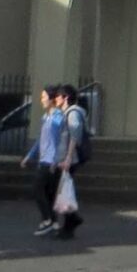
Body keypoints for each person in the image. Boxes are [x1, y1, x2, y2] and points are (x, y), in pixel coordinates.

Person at [19, 85, 63, 237]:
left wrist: (56, 161)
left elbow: (60, 141)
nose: (41, 100)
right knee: (49, 193)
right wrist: (29, 156)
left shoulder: (58, 117)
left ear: (51, 99)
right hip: (44, 159)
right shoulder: (45, 117)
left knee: (38, 190)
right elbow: (40, 141)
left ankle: (47, 220)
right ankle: (55, 223)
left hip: (51, 162)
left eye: (44, 97)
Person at [54, 85, 87, 239]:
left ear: (65, 97)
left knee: (64, 191)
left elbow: (74, 136)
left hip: (69, 159)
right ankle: (71, 220)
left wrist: (67, 158)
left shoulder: (72, 113)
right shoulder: (66, 113)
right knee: (63, 190)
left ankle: (70, 223)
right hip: (65, 158)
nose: (56, 99)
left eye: (58, 96)